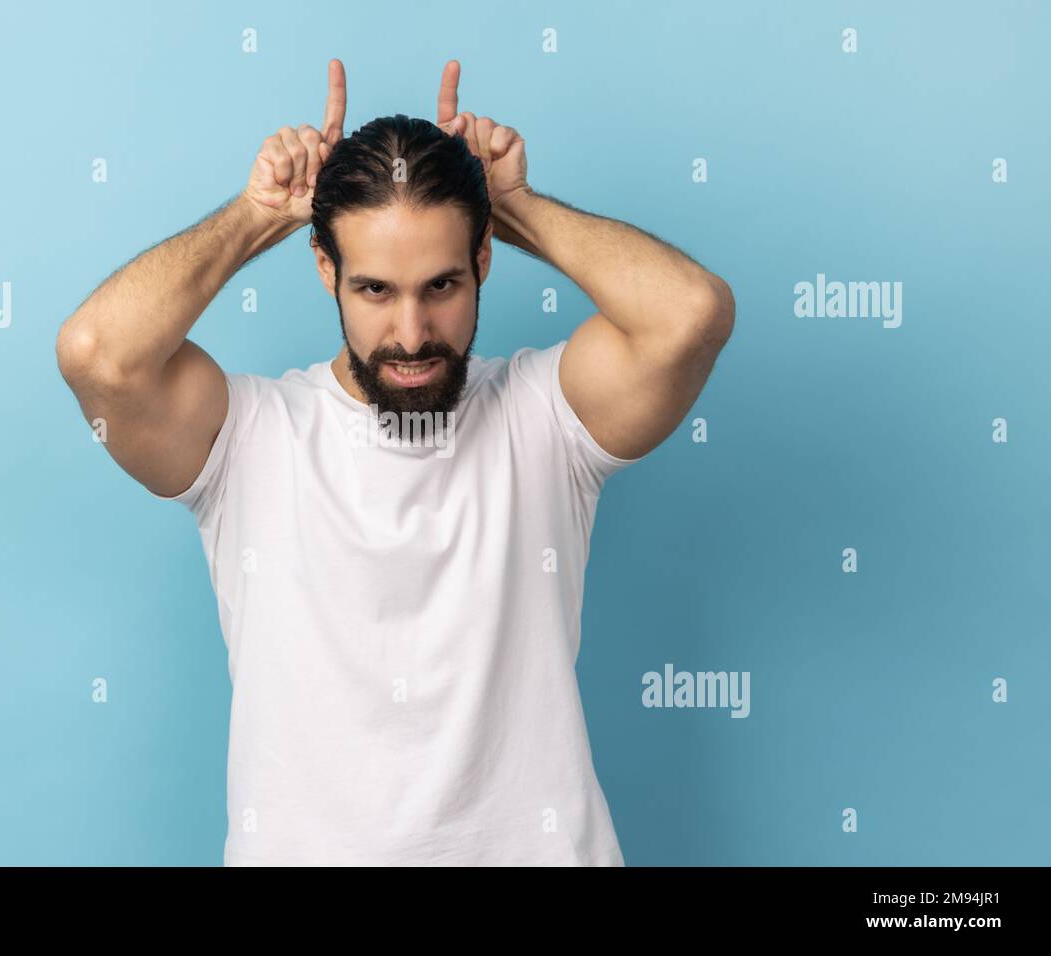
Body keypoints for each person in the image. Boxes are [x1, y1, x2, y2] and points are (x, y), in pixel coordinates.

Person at [56, 58, 734, 865]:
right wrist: (254, 215)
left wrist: (516, 206)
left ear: (484, 259)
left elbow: (690, 316)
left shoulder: (544, 418)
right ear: (324, 269)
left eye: (441, 284)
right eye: (375, 290)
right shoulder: (249, 439)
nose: (412, 334)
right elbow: (98, 355)